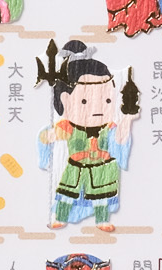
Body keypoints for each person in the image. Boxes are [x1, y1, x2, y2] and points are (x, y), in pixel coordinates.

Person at [35, 40, 136, 230]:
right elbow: (49, 137)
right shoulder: (69, 127)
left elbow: (120, 140)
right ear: (65, 100)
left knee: (102, 196)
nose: (98, 108)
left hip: (101, 167)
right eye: (84, 101)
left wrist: (127, 120)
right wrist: (49, 136)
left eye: (107, 100)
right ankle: (60, 217)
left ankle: (102, 220)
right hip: (76, 167)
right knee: (66, 194)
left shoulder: (109, 127)